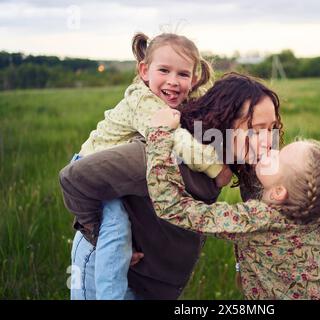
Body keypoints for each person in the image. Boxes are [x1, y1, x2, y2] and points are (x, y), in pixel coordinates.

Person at [68, 32, 231, 300]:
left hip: (118, 177)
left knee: (126, 228)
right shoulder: (141, 100)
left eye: (183, 74)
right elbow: (177, 140)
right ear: (144, 71)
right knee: (117, 228)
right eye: (164, 70)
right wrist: (216, 169)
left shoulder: (174, 100)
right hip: (94, 171)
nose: (173, 81)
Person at [144, 107, 320, 300]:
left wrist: (159, 134)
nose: (271, 150)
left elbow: (172, 207)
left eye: (277, 157)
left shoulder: (258, 219)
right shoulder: (306, 210)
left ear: (279, 192)